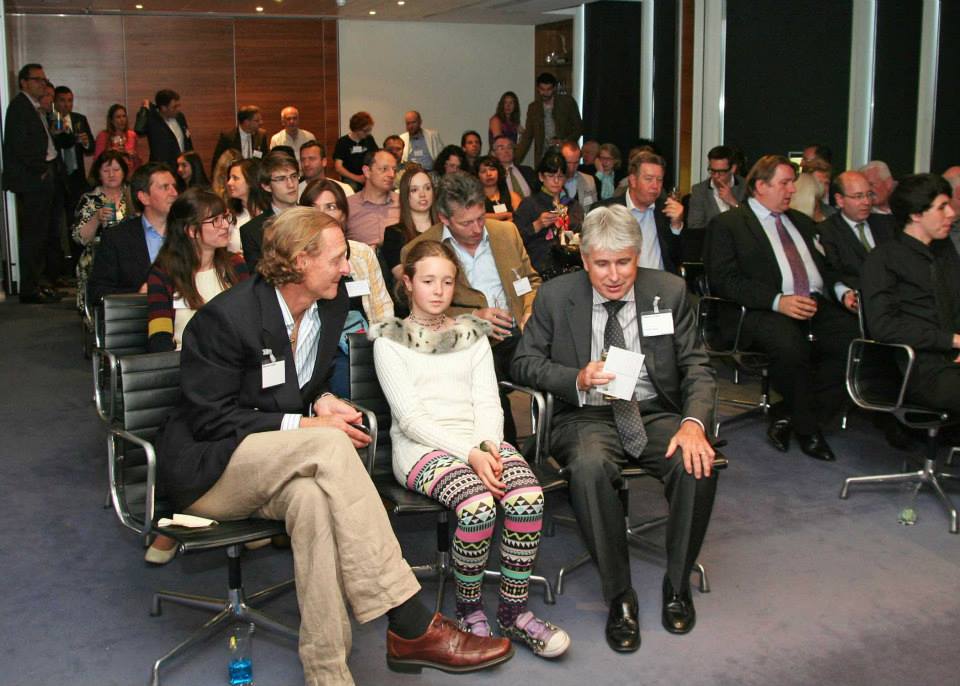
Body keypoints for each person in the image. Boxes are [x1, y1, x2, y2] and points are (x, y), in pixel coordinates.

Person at [154, 206, 514, 685]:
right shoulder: (226, 318)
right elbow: (210, 419)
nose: (348, 268)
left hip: (276, 464)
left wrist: (320, 400)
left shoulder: (330, 304)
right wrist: (305, 424)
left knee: (313, 503)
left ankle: (328, 673)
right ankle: (409, 619)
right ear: (300, 261)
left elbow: (302, 382)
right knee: (327, 445)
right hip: (209, 468)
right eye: (338, 257)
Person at [512, 203, 719, 652]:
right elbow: (524, 363)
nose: (613, 275)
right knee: (589, 468)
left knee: (697, 463)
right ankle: (620, 595)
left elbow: (697, 367)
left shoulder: (669, 291)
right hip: (584, 414)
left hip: (652, 410)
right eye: (602, 264)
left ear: (637, 256)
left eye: (623, 262)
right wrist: (575, 377)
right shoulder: (555, 296)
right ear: (585, 260)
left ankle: (677, 584)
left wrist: (693, 423)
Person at [371, 239, 570, 658]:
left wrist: (488, 448)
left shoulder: (471, 333)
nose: (439, 291)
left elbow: (488, 402)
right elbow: (411, 419)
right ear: (408, 283)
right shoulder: (389, 339)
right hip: (420, 449)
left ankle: (513, 614)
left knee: (528, 498)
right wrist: (471, 454)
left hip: (481, 439)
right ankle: (469, 611)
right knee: (477, 505)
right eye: (428, 281)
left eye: (447, 282)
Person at [705, 155, 858, 462]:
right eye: (785, 183)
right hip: (761, 309)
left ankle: (787, 412)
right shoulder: (729, 224)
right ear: (761, 186)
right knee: (790, 345)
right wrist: (778, 301)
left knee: (855, 341)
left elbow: (826, 269)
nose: (792, 190)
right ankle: (808, 429)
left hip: (813, 303)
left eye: (792, 183)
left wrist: (842, 292)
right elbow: (725, 280)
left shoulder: (801, 222)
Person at [400, 172, 541, 445]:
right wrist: (472, 316)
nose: (477, 229)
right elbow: (418, 311)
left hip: (517, 332)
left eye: (480, 218)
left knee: (551, 370)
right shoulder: (420, 249)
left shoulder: (505, 233)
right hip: (467, 342)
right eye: (466, 223)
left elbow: (531, 282)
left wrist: (528, 311)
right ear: (444, 219)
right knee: (488, 386)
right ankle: (504, 453)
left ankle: (549, 444)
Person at [861, 173, 960, 413]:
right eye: (941, 207)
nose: (951, 213)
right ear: (916, 215)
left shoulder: (944, 252)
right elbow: (884, 327)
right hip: (919, 369)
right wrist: (952, 341)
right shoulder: (884, 259)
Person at [146, 188, 248, 352]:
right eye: (215, 220)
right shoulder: (164, 273)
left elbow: (250, 319)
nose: (225, 225)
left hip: (232, 358)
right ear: (191, 231)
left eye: (225, 217)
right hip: (184, 360)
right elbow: (159, 335)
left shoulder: (235, 265)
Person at [2, 63, 63, 303]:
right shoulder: (20, 107)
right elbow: (19, 145)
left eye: (44, 79)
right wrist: (41, 169)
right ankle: (29, 288)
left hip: (42, 177)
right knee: (33, 235)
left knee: (43, 234)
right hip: (33, 180)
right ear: (24, 82)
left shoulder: (35, 108)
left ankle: (39, 282)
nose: (42, 84)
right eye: (37, 80)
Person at [300, 178, 394, 325]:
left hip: (363, 335)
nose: (321, 214)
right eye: (313, 207)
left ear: (343, 214)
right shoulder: (298, 258)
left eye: (330, 207)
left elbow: (382, 309)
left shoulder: (362, 254)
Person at [88, 161, 179, 305]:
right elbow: (98, 292)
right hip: (137, 313)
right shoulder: (117, 238)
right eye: (165, 187)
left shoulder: (188, 233)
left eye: (174, 186)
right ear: (144, 197)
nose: (174, 193)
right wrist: (136, 293)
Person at [818, 170, 897, 311]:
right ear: (840, 200)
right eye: (858, 196)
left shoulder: (887, 224)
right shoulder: (827, 231)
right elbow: (833, 273)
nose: (866, 202)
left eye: (869, 194)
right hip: (861, 302)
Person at [598, 150, 684, 274]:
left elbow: (677, 259)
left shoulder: (666, 210)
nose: (655, 186)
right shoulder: (606, 211)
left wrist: (676, 226)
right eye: (649, 179)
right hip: (620, 281)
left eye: (659, 180)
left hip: (660, 282)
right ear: (633, 180)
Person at [71, 151, 132, 313]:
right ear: (98, 173)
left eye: (116, 170)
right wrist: (96, 218)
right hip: (97, 256)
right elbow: (79, 238)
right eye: (106, 170)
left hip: (130, 255)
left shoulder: (133, 196)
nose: (111, 174)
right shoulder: (90, 199)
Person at [514, 151, 583, 276]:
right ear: (541, 177)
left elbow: (581, 236)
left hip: (570, 267)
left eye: (560, 176)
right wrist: (537, 225)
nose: (556, 181)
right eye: (551, 176)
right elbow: (514, 240)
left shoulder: (573, 205)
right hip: (539, 269)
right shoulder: (529, 204)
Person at [240, 151, 302, 269]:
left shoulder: (314, 217)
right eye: (281, 179)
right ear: (266, 186)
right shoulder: (252, 231)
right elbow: (259, 277)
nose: (291, 185)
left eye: (294, 176)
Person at [381, 165, 437, 294]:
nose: (422, 194)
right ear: (405, 195)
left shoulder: (446, 228)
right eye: (414, 190)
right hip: (412, 296)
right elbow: (401, 275)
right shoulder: (393, 233)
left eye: (427, 188)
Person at [51, 85, 95, 229]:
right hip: (58, 175)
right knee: (59, 220)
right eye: (62, 100)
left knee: (79, 217)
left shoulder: (79, 119)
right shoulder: (50, 120)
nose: (67, 104)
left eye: (70, 100)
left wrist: (86, 142)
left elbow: (91, 148)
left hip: (77, 175)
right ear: (54, 102)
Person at [515, 73, 582, 166]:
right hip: (543, 156)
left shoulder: (567, 103)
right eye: (542, 89)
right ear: (538, 89)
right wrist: (514, 161)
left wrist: (564, 142)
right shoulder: (533, 108)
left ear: (554, 88)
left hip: (565, 154)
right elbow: (527, 136)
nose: (545, 93)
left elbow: (579, 128)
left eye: (548, 89)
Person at [345, 149, 400, 246]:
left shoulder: (403, 203)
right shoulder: (347, 207)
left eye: (394, 170)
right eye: (384, 169)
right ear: (367, 171)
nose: (391, 175)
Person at [687, 145, 746, 230]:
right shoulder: (699, 190)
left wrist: (733, 202)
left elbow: (752, 222)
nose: (716, 176)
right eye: (712, 171)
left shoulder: (745, 186)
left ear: (733, 168)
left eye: (721, 172)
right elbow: (694, 226)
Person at [134, 89, 192, 169]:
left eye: (178, 106)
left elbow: (187, 140)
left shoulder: (180, 117)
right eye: (174, 107)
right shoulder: (153, 120)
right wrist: (144, 109)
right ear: (163, 108)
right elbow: (139, 130)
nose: (177, 109)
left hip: (182, 167)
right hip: (162, 168)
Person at [224, 158, 266, 253]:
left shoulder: (270, 213)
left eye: (235, 178)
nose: (229, 183)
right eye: (229, 178)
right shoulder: (228, 215)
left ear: (250, 181)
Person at [211, 105, 269, 175]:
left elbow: (266, 159)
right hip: (235, 175)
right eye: (257, 120)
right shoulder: (228, 137)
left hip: (255, 176)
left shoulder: (261, 135)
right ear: (246, 122)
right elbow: (218, 162)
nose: (261, 122)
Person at [334, 111, 377, 191]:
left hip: (367, 175)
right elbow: (338, 167)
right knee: (352, 188)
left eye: (369, 130)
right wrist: (357, 178)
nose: (368, 133)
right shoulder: (343, 142)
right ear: (356, 129)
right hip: (351, 178)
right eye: (365, 130)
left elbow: (377, 157)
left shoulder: (369, 139)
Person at [94, 103, 141, 173]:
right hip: (111, 173)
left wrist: (135, 156)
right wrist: (112, 152)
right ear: (111, 120)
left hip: (129, 173)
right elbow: (97, 160)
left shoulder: (132, 135)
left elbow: (138, 163)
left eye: (124, 116)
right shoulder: (103, 136)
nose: (122, 120)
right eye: (118, 117)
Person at [477, 155, 521, 223]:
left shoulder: (513, 196)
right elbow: (476, 217)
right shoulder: (475, 199)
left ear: (499, 172)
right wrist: (504, 215)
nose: (488, 174)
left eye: (492, 169)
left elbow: (521, 218)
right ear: (477, 176)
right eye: (483, 171)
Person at [491, 135, 538, 199]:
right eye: (501, 148)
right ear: (493, 153)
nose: (506, 151)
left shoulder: (528, 170)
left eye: (509, 147)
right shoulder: (493, 176)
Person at [560, 140, 598, 212]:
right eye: (568, 162)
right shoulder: (552, 182)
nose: (572, 167)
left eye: (576, 163)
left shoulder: (589, 181)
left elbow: (594, 211)